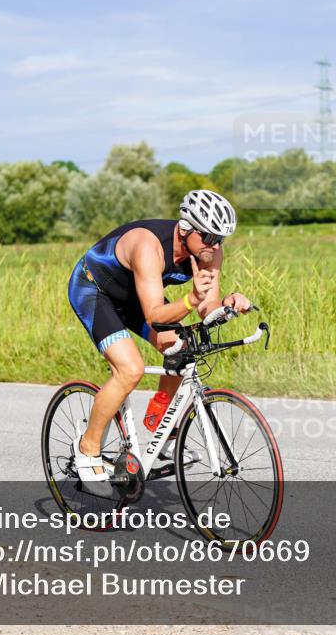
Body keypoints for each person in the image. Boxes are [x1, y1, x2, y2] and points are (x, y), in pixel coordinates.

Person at [66, 190, 253, 483]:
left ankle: (161, 424)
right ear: (186, 227)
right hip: (94, 292)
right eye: (209, 237)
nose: (214, 245)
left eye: (220, 239)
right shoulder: (147, 246)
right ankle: (87, 448)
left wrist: (228, 304)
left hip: (136, 298)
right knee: (130, 370)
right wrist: (190, 300)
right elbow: (155, 315)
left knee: (182, 347)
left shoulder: (210, 251)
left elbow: (208, 308)